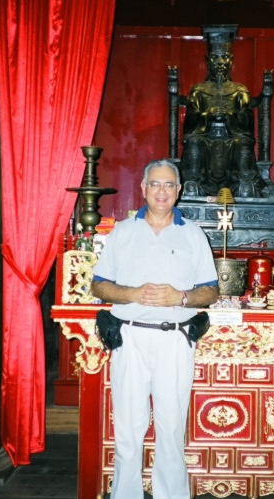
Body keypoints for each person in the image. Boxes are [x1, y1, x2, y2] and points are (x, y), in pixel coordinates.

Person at [91, 159, 219, 499]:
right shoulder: (122, 231)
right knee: (129, 429)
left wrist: (182, 296)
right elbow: (99, 285)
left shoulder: (192, 234)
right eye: (155, 184)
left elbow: (211, 291)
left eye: (169, 185)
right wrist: (130, 293)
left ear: (178, 192)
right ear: (144, 189)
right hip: (129, 337)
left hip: (174, 340)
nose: (162, 191)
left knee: (171, 424)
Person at [180, 26, 266, 198]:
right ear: (208, 61)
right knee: (194, 141)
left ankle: (244, 182)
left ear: (230, 61)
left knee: (242, 143)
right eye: (215, 58)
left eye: (224, 58)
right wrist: (207, 115)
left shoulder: (239, 89)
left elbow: (247, 119)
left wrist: (231, 115)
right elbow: (190, 121)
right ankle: (192, 182)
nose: (220, 63)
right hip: (205, 135)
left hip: (232, 136)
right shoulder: (199, 90)